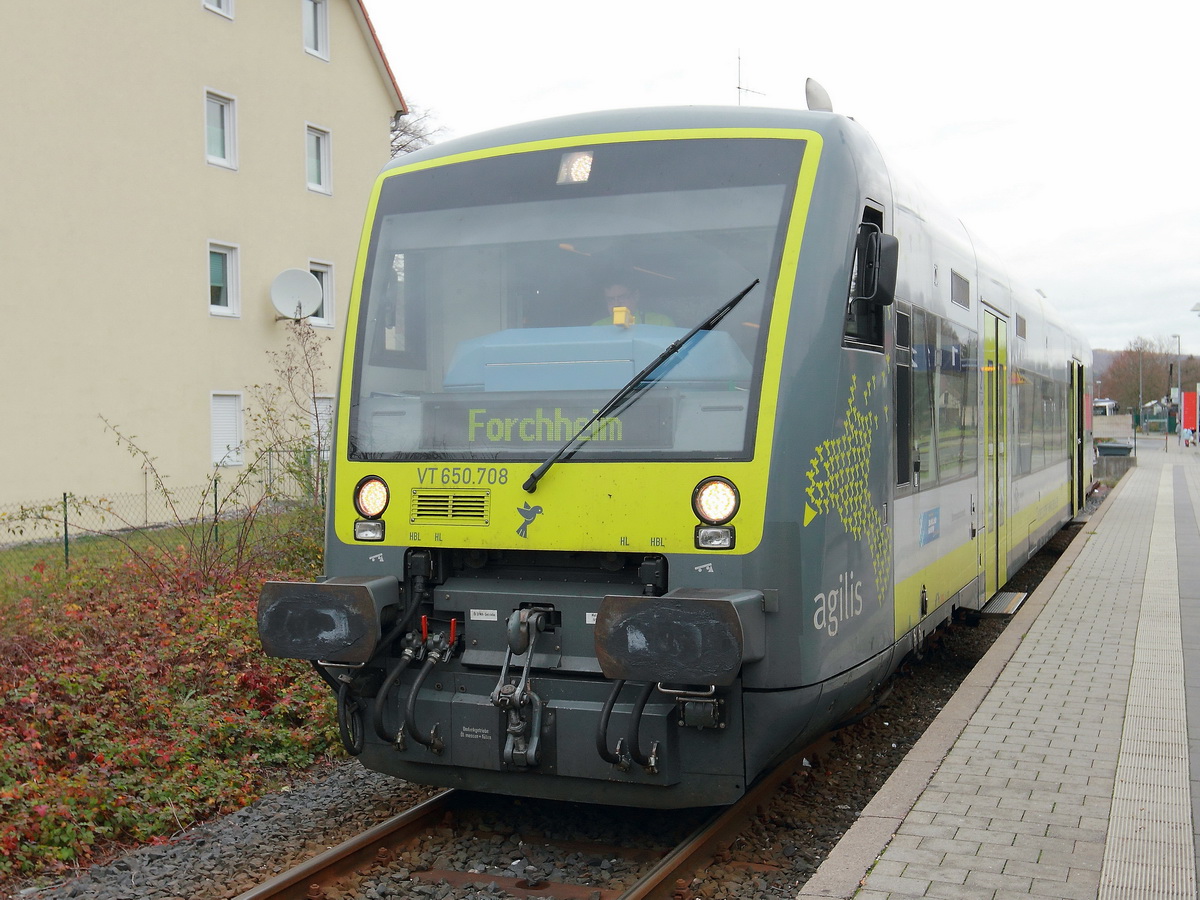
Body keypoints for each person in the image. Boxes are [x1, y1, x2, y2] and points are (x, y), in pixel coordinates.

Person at [593, 282, 674, 326]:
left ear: (636, 295)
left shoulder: (661, 322)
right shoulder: (597, 327)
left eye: (622, 297)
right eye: (610, 299)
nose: (616, 303)